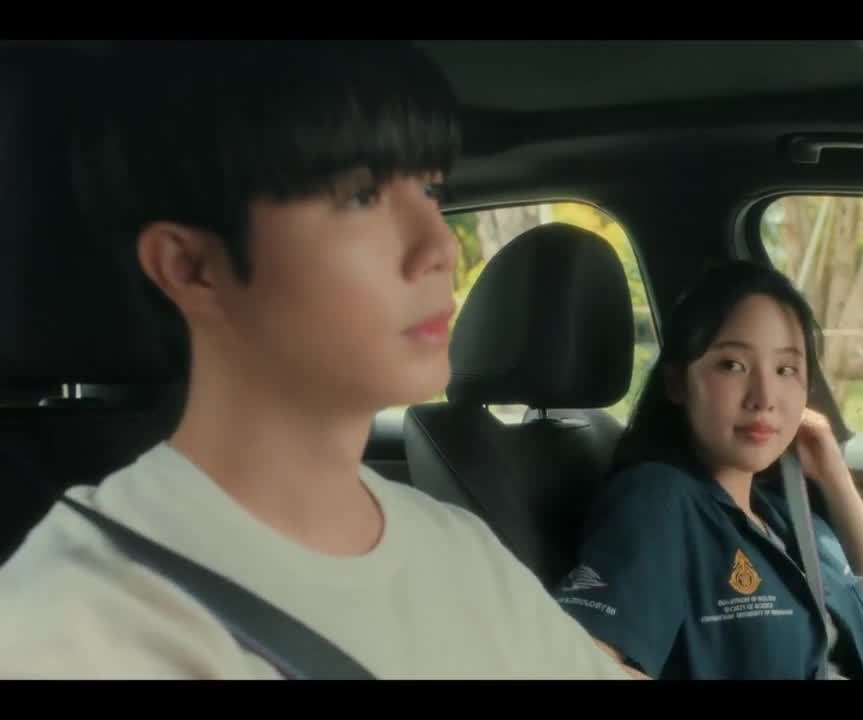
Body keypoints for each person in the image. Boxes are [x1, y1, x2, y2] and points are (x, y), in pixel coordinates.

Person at [0, 42, 631, 680]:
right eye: (361, 196)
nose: (440, 246)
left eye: (430, 190)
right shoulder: (78, 625)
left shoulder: (457, 547)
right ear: (190, 268)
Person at [553, 260, 863, 680]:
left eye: (786, 370)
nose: (764, 397)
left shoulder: (782, 519)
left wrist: (835, 477)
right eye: (733, 365)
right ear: (676, 382)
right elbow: (581, 665)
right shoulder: (659, 503)